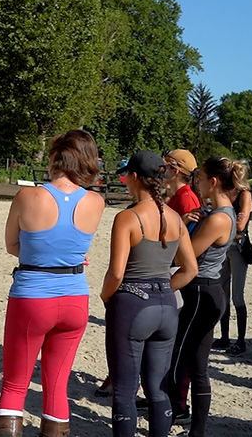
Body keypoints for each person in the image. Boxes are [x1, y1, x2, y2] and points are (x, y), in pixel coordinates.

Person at [0, 129, 106, 437]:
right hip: (75, 297)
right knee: (56, 386)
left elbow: (12, 245)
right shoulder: (96, 202)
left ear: (56, 157)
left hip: (33, 293)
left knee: (15, 384)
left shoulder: (28, 196)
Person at [101, 151, 198, 437]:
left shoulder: (127, 217)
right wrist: (165, 289)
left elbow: (116, 273)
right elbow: (190, 269)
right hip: (166, 306)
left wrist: (107, 297)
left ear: (133, 177)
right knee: (157, 389)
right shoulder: (175, 218)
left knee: (125, 391)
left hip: (132, 303)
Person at [167, 156, 248, 437]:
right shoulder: (222, 214)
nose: (196, 183)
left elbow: (187, 253)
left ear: (213, 182)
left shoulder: (217, 218)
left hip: (200, 291)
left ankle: (172, 415)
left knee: (179, 359)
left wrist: (178, 226)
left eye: (199, 178)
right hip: (210, 289)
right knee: (198, 366)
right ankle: (197, 431)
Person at [212, 185, 252, 355]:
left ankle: (241, 340)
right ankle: (225, 337)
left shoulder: (244, 194)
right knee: (223, 294)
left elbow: (241, 224)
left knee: (237, 295)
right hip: (227, 246)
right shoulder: (227, 192)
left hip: (237, 247)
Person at [163, 149, 201, 228]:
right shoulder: (179, 195)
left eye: (165, 167)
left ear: (175, 171)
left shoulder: (186, 199)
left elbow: (187, 236)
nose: (162, 171)